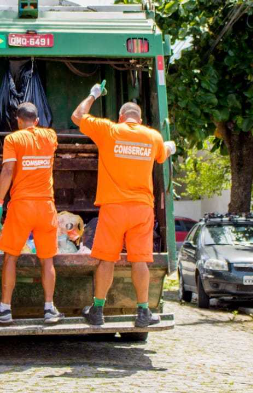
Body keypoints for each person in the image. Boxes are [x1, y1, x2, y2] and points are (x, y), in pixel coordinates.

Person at [71, 82, 176, 327]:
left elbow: (78, 116)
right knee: (139, 260)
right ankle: (143, 312)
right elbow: (162, 154)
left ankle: (97, 310)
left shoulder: (110, 130)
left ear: (121, 117)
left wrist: (93, 93)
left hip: (114, 208)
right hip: (141, 209)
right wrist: (169, 147)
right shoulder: (152, 136)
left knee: (107, 260)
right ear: (139, 119)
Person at [0, 102, 64, 325]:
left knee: (11, 257)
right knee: (47, 260)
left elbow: (8, 169)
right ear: (37, 120)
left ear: (18, 120)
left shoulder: (13, 139)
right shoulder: (50, 136)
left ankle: (5, 309)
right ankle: (49, 308)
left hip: (22, 206)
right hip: (46, 206)